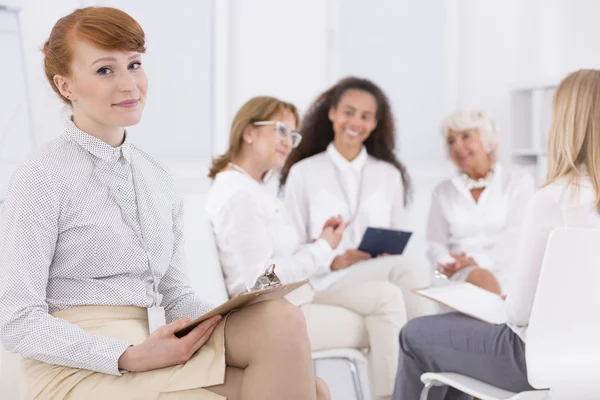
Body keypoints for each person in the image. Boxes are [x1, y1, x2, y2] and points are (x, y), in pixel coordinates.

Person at [0, 7, 329, 400]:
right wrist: (127, 355)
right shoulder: (41, 174)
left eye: (134, 65)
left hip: (148, 352)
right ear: (66, 85)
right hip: (75, 370)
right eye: (105, 70)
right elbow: (15, 320)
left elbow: (177, 296)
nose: (129, 85)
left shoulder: (156, 177)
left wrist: (228, 311)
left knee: (282, 324)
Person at [392, 69, 600, 399]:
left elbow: (519, 314)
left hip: (534, 359)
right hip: (591, 362)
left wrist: (507, 300)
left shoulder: (550, 198)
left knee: (413, 334)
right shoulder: (445, 192)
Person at [206, 95, 407, 400]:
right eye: (280, 130)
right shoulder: (239, 194)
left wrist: (319, 243)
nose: (289, 141)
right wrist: (323, 249)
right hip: (275, 315)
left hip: (297, 298)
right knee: (389, 319)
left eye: (293, 134)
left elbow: (275, 258)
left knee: (389, 300)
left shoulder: (254, 188)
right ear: (248, 132)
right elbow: (256, 280)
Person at [281, 76, 431, 320]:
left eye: (365, 116)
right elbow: (292, 246)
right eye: (348, 112)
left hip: (376, 274)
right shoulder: (303, 173)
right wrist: (333, 261)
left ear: (375, 124)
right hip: (324, 279)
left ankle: (419, 351)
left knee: (406, 270)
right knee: (409, 269)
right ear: (332, 113)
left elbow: (398, 239)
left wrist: (383, 254)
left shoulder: (389, 175)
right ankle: (429, 348)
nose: (355, 122)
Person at [427, 110, 534, 295]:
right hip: (459, 274)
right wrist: (454, 264)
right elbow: (435, 243)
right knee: (477, 278)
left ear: (488, 141)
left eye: (465, 137)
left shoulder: (518, 182)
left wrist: (479, 262)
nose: (457, 146)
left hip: (507, 272)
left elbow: (517, 234)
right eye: (451, 141)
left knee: (482, 279)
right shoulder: (443, 191)